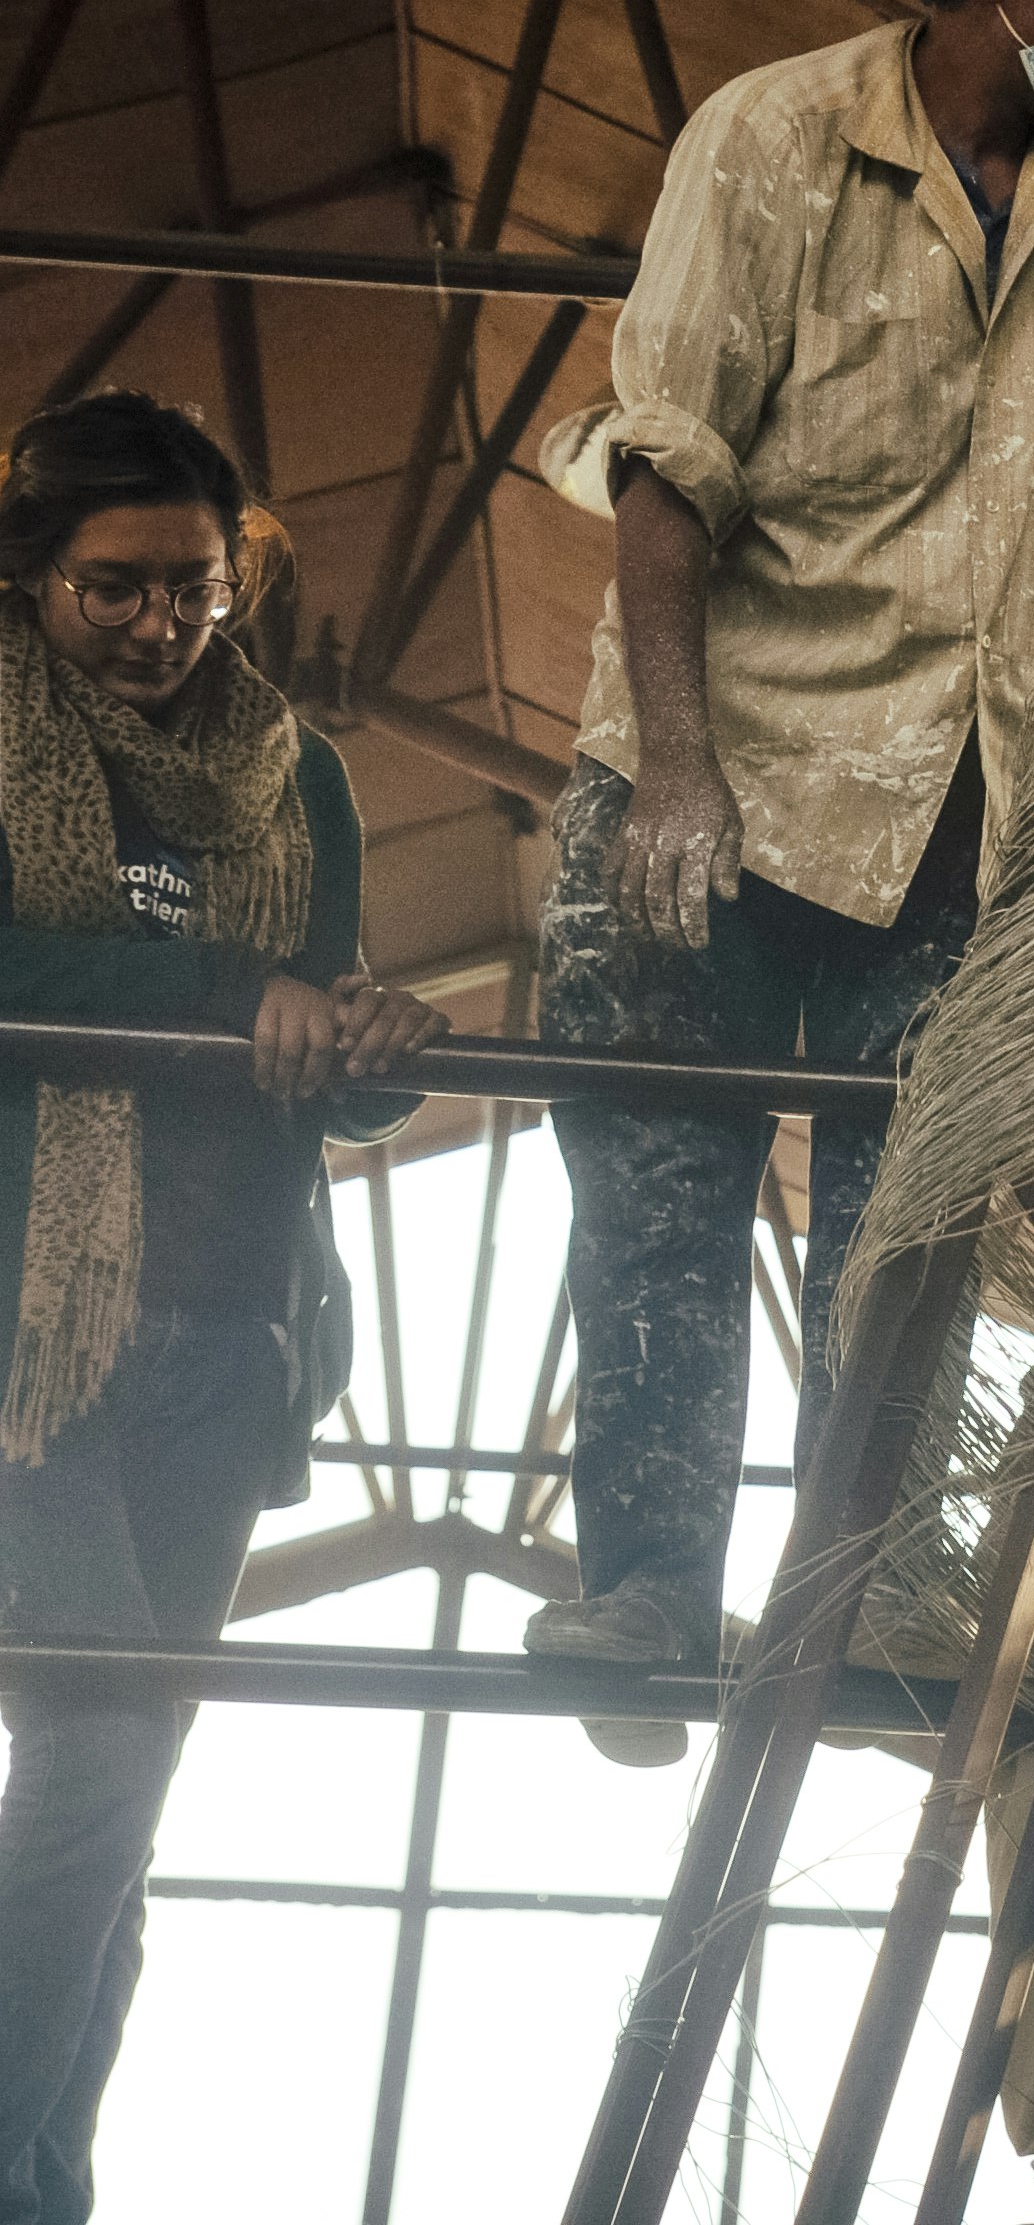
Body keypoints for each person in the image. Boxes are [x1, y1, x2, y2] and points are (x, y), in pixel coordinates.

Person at [524, 0, 1034, 2225]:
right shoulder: (773, 143)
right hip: (723, 783)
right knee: (654, 1181)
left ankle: (845, 1592)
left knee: (908, 1236)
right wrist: (680, 776)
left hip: (974, 814)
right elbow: (668, 470)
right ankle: (644, 1576)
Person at [0, 394, 444, 2225]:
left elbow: (311, 1045)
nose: (162, 625)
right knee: (100, 1749)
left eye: (194, 589)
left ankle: (51, 2180)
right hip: (31, 1346)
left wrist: (370, 1048)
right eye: (115, 588)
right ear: (29, 577)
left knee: (124, 1797)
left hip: (222, 1341)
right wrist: (228, 985)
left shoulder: (300, 774)